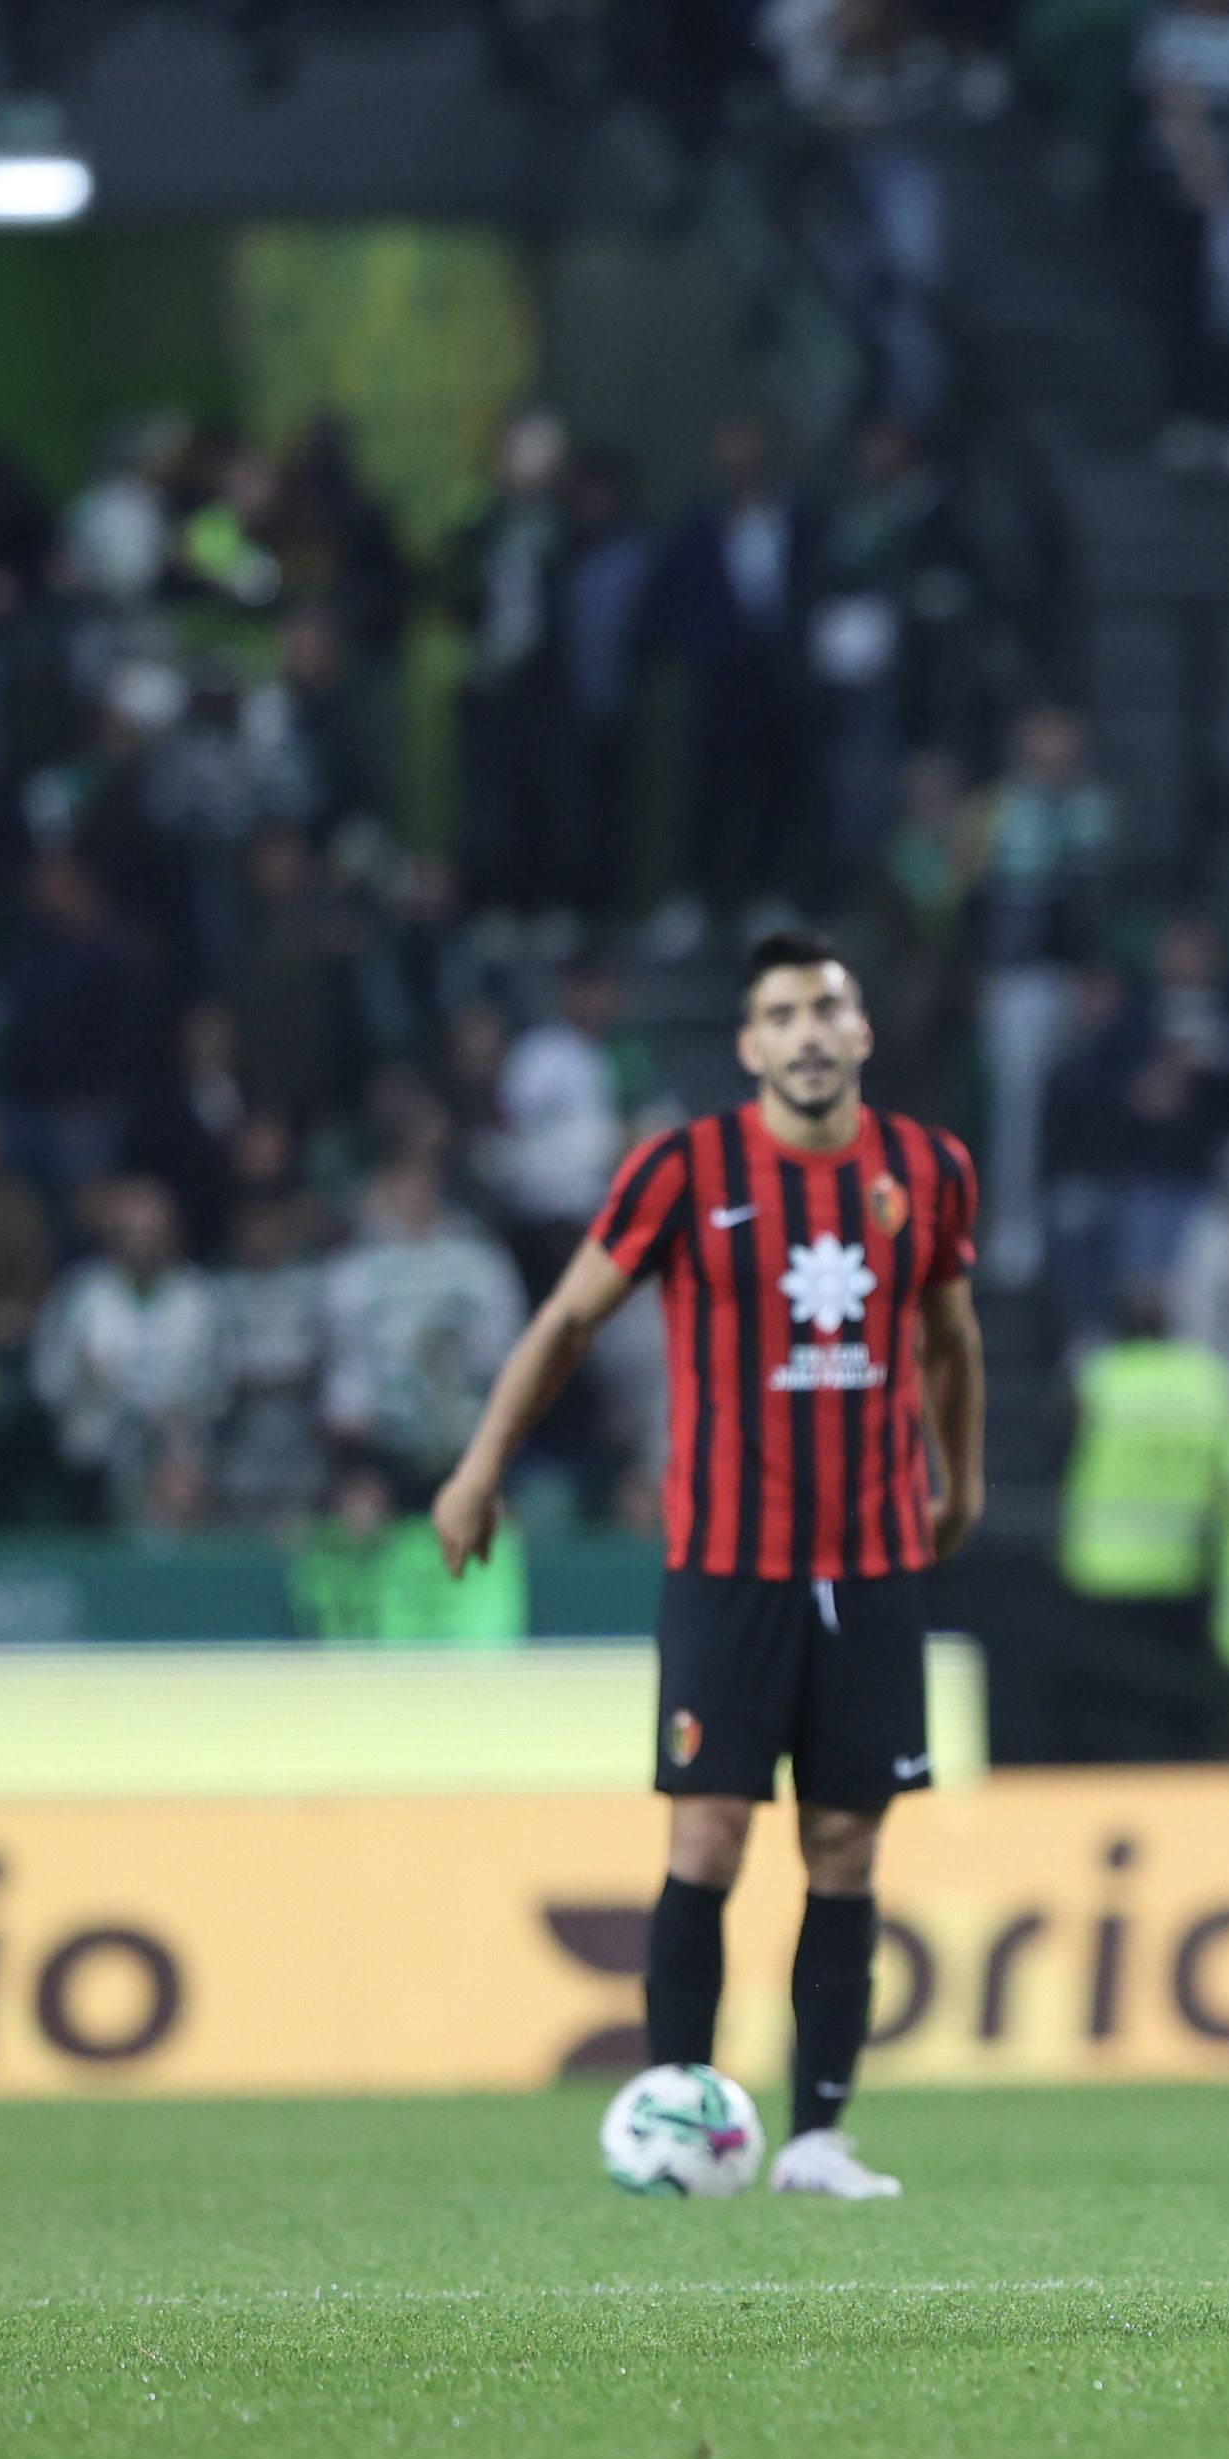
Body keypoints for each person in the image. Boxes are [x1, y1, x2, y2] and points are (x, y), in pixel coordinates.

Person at [433, 934, 986, 2202]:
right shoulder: (683, 1170)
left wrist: (962, 1480)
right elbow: (568, 1317)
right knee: (709, 1833)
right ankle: (675, 2103)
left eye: (825, 1008)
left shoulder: (925, 1171)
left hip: (873, 1553)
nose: (804, 1031)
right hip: (729, 1558)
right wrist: (480, 1468)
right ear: (746, 1046)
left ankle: (816, 2137)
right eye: (780, 1013)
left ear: (859, 1035)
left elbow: (951, 1341)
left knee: (846, 1845)